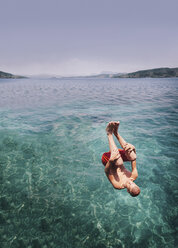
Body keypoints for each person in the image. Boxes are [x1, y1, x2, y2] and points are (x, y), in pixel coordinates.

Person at [104, 121, 140, 197]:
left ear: (127, 190)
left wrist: (111, 160)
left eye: (129, 185)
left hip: (108, 161)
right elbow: (133, 159)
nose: (130, 182)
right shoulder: (134, 176)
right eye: (133, 183)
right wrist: (133, 148)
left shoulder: (118, 185)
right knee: (132, 155)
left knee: (119, 162)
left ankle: (109, 133)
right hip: (117, 157)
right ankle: (116, 133)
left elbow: (107, 172)